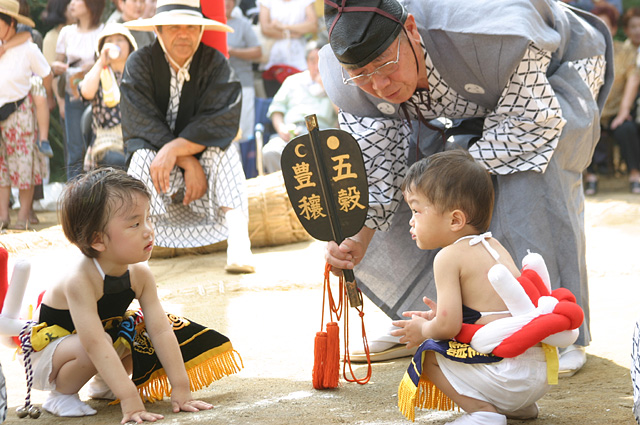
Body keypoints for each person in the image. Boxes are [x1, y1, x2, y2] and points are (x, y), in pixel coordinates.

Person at [318, 0, 612, 376]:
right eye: (361, 73)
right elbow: (376, 168)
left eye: (385, 65)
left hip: (550, 75)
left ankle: (551, 326)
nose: (378, 85)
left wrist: (454, 174)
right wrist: (355, 236)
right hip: (462, 95)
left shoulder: (490, 34)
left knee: (528, 179)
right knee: (420, 190)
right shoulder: (348, 80)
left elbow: (533, 123)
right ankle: (443, 318)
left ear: (410, 29)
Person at [21, 168, 237, 421]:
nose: (148, 230)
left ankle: (103, 384)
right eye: (135, 224)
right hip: (50, 354)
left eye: (148, 218)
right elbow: (93, 342)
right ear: (97, 240)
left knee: (141, 328)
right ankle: (61, 395)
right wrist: (130, 398)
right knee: (95, 339)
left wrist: (181, 387)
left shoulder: (140, 274)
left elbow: (161, 330)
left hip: (93, 341)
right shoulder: (81, 279)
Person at [392, 149, 549, 425]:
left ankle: (483, 412)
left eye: (416, 210)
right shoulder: (495, 246)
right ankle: (518, 408)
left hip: (506, 377)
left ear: (455, 220)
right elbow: (489, 312)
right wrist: (440, 315)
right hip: (536, 375)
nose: (411, 220)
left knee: (428, 353)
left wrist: (423, 329)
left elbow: (448, 328)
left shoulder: (448, 257)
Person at [121, 0, 255, 273]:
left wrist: (180, 152)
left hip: (205, 185)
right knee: (141, 156)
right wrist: (183, 159)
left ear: (201, 30)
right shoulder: (139, 63)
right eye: (174, 27)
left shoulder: (215, 63)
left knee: (226, 150)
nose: (184, 34)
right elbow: (140, 123)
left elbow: (222, 120)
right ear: (158, 30)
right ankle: (138, 249)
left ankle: (239, 241)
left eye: (191, 27)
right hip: (162, 175)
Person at [0, 0, 54, 230]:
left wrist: (47, 95)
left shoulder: (28, 48)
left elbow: (47, 73)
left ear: (11, 22)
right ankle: (3, 216)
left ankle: (23, 215)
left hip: (20, 112)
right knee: (1, 169)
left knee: (24, 166)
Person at [584, 4, 640, 195]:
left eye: (605, 25)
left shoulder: (626, 53)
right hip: (592, 114)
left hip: (617, 112)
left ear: (615, 29)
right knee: (582, 128)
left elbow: (633, 80)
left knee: (627, 128)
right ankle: (590, 177)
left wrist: (623, 112)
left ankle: (634, 175)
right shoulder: (583, 53)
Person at [262, 40, 338, 174]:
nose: (317, 66)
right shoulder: (293, 81)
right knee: (270, 152)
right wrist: (281, 128)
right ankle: (284, 192)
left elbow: (342, 114)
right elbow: (276, 110)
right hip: (292, 134)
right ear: (307, 62)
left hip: (321, 136)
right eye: (312, 61)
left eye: (321, 61)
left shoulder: (334, 83)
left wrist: (326, 86)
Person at [52, 0, 105, 181]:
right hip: (72, 98)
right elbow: (55, 67)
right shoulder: (66, 33)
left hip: (99, 99)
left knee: (98, 148)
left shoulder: (104, 30)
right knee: (74, 149)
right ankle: (73, 199)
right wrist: (56, 67)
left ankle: (98, 196)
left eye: (77, 0)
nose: (71, 4)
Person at [79, 23, 137, 171]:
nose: (114, 44)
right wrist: (100, 62)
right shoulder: (100, 72)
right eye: (109, 41)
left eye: (119, 40)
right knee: (116, 161)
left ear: (130, 46)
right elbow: (85, 93)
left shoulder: (137, 74)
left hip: (135, 140)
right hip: (107, 142)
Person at [257, 0, 317, 95]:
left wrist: (283, 26)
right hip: (273, 59)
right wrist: (292, 34)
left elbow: (313, 25)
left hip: (299, 59)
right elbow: (266, 28)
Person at [225, 0, 262, 144]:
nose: (226, 3)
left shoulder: (243, 24)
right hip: (217, 86)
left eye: (230, 0)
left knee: (243, 134)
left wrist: (233, 51)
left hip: (242, 84)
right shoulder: (209, 25)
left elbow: (258, 51)